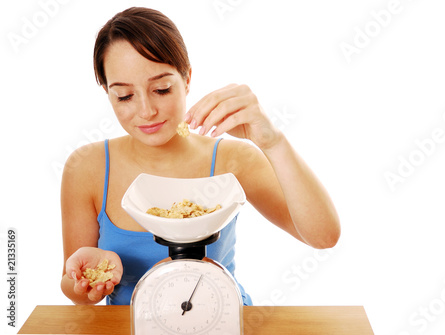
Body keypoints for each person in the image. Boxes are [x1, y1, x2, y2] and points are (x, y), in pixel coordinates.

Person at [60, 6, 340, 306]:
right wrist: (87, 279)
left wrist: (272, 141)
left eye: (162, 89)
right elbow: (73, 286)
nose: (146, 111)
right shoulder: (87, 168)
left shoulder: (231, 160)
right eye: (125, 96)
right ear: (107, 91)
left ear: (187, 78)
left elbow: (323, 237)